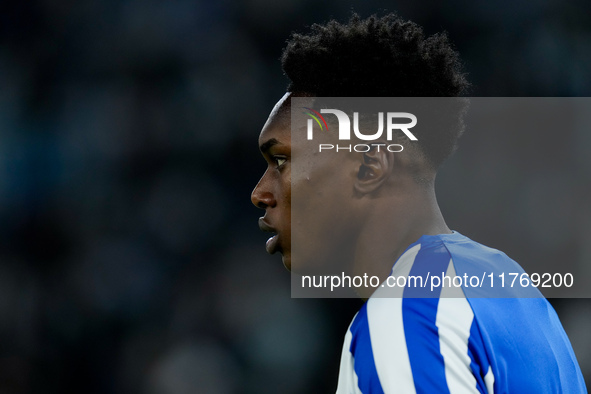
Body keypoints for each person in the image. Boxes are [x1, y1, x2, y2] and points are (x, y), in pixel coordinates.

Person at [251, 13, 587, 393]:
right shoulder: (510, 284)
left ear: (368, 167)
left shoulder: (406, 313)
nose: (259, 192)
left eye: (281, 161)